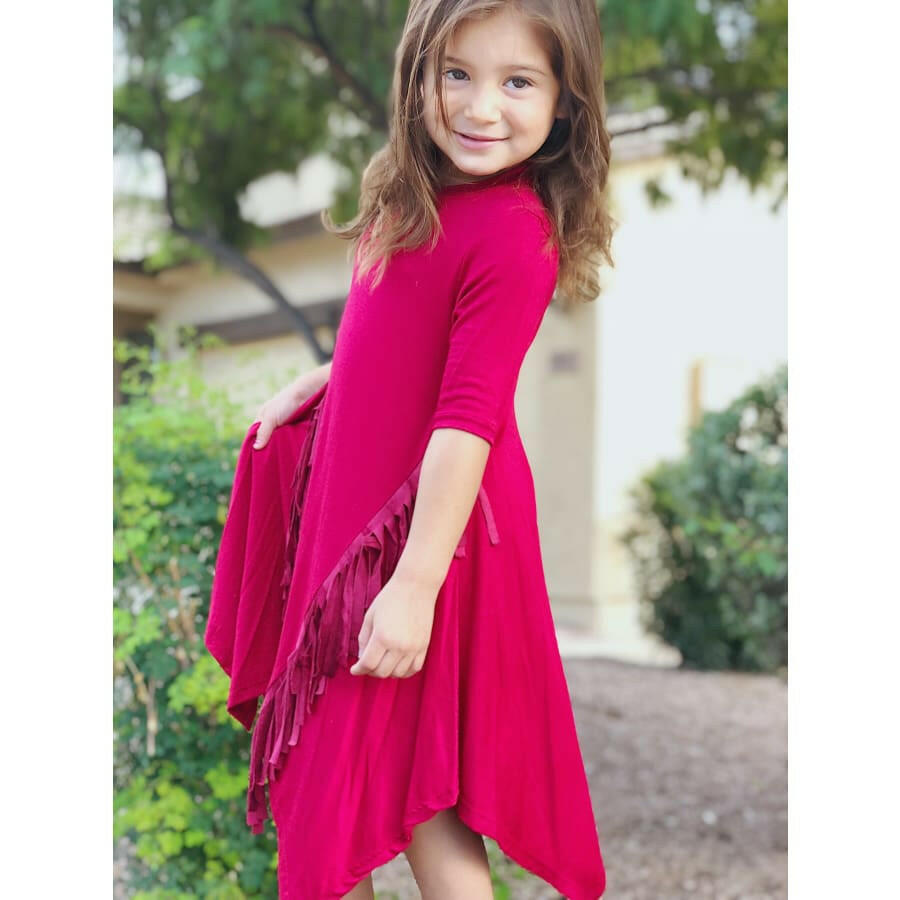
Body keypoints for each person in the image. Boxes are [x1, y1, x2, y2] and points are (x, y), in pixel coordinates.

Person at [206, 1, 615, 897]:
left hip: (424, 546)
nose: (480, 106)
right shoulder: (406, 199)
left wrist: (414, 590)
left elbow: (468, 416)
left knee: (413, 800)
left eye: (518, 82)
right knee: (366, 794)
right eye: (456, 73)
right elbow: (404, 336)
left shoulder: (516, 233)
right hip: (365, 530)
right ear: (417, 74)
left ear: (565, 103)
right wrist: (327, 379)